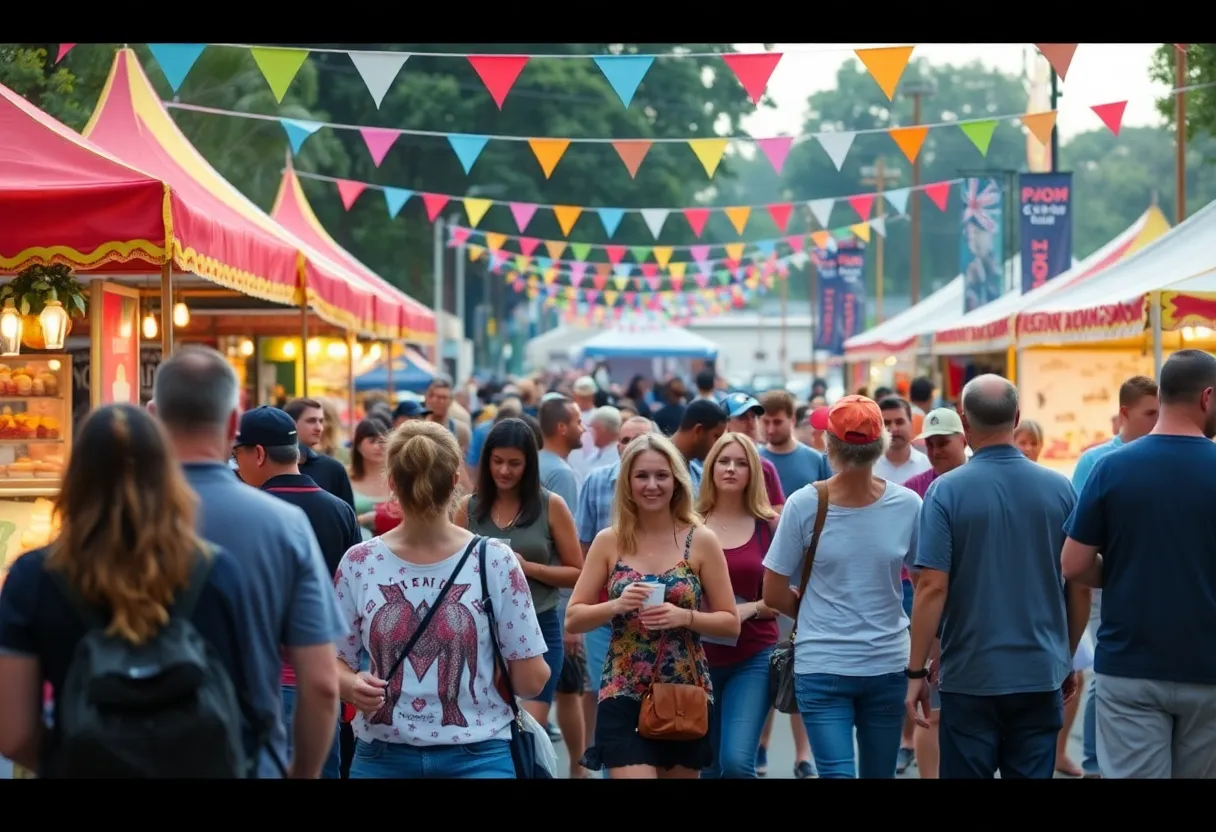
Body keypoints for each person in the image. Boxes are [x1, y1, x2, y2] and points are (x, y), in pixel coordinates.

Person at [0, 405, 256, 777]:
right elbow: (249, 703)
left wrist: (68, 761)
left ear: (76, 476)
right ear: (168, 475)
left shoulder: (33, 577)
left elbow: (13, 733)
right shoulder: (218, 572)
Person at [150, 346, 344, 779]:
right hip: (248, 756)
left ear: (155, 415)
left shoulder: (111, 521)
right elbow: (321, 681)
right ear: (234, 423)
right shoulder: (283, 524)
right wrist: (302, 772)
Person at [336, 420, 551, 778]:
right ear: (455, 479)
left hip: (382, 754)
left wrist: (350, 684)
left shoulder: (359, 562)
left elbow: (331, 660)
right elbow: (531, 680)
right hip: (480, 755)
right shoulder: (494, 560)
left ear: (391, 482)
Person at [908, 375, 1088, 780]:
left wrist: (916, 671)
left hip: (970, 674)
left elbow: (932, 586)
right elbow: (1078, 585)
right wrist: (1066, 655)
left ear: (964, 423)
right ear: (1018, 418)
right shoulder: (1060, 489)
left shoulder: (945, 492)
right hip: (1039, 670)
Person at [1061, 350, 1216, 779]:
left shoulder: (1111, 467)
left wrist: (1122, 572)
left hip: (1130, 663)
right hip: (1208, 667)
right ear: (1207, 397)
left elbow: (1072, 564)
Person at [763, 396, 922, 779]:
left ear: (827, 445)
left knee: (838, 773)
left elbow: (773, 591)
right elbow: (925, 587)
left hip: (827, 662)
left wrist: (810, 611)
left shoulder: (804, 503)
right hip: (884, 661)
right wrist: (923, 662)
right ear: (881, 443)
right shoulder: (909, 504)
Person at [567, 434, 740, 778]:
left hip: (682, 690)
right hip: (623, 686)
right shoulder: (609, 540)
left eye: (661, 475)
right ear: (627, 484)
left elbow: (730, 623)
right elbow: (574, 617)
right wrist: (616, 604)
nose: (651, 485)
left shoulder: (700, 539)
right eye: (641, 476)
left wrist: (685, 616)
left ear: (676, 480)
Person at [232, 405, 361, 780]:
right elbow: (349, 597)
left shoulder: (252, 511)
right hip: (325, 676)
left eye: (237, 454)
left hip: (263, 681)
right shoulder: (340, 511)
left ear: (257, 454)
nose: (236, 465)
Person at [454, 419, 583, 730]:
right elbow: (452, 571)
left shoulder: (551, 505)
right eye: (497, 462)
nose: (504, 471)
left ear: (529, 463)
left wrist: (527, 569)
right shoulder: (467, 508)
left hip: (539, 626)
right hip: (480, 631)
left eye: (514, 463)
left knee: (528, 728)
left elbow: (578, 572)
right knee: (488, 725)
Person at [1069, 375, 1159, 778]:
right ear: (1124, 414)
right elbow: (1076, 533)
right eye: (1150, 413)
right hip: (1109, 581)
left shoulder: (1162, 454)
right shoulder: (1097, 461)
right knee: (1103, 675)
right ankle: (1092, 763)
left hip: (1149, 583)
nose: (1157, 421)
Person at [697, 433, 780, 778]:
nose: (731, 469)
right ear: (711, 468)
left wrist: (746, 610)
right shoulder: (688, 524)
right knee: (708, 765)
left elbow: (788, 596)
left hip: (754, 655)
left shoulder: (770, 526)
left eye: (741, 463)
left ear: (754, 472)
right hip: (694, 658)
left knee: (736, 761)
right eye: (724, 461)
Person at [902, 407, 969, 779]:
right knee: (935, 712)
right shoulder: (916, 488)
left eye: (943, 442)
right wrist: (931, 638)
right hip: (934, 612)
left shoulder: (977, 480)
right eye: (930, 443)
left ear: (964, 438)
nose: (935, 450)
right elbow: (919, 575)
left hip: (976, 615)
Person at [284, 397, 356, 510]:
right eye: (311, 421)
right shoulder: (272, 464)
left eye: (321, 421)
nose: (319, 428)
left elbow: (349, 518)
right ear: (291, 423)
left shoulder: (333, 468)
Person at [346, 418, 391, 538]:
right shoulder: (345, 477)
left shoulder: (399, 478)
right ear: (358, 445)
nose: (379, 446)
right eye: (372, 441)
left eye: (383, 441)